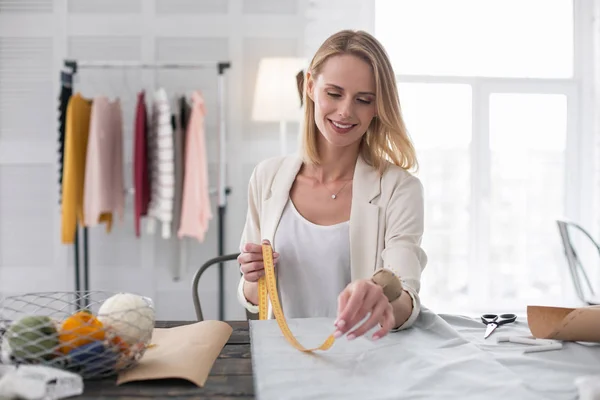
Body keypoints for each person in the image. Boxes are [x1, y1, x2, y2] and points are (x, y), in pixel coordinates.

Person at [236, 29, 428, 341]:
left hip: (367, 362)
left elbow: (406, 297)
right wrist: (252, 275)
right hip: (283, 358)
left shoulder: (400, 189)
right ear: (310, 86)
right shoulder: (266, 178)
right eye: (334, 94)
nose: (345, 112)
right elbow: (253, 297)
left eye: (363, 100)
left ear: (378, 107)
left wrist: (382, 297)